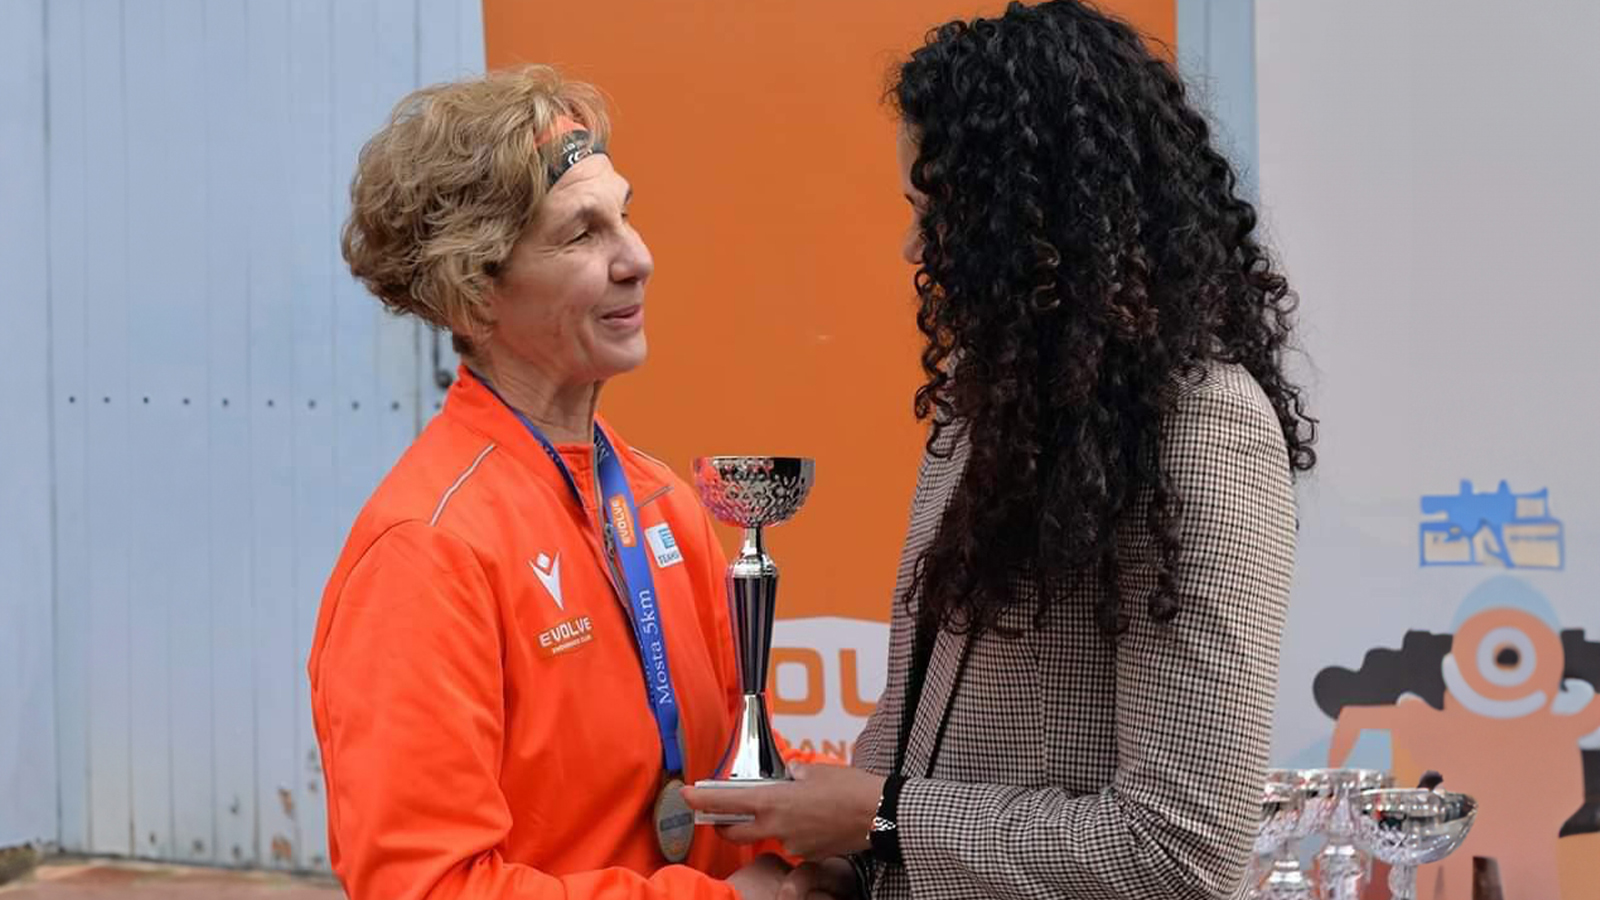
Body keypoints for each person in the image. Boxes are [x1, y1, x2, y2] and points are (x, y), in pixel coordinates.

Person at [683, 3, 1318, 898]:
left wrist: (883, 820)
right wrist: (835, 867)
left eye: (940, 213)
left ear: (1041, 222)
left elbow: (1183, 849)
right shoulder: (988, 408)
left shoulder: (1204, 425)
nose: (915, 246)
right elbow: (914, 738)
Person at [307, 65, 790, 900]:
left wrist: (852, 833)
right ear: (471, 292)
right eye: (581, 234)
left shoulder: (659, 501)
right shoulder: (427, 552)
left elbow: (739, 774)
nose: (637, 257)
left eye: (625, 214)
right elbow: (428, 887)